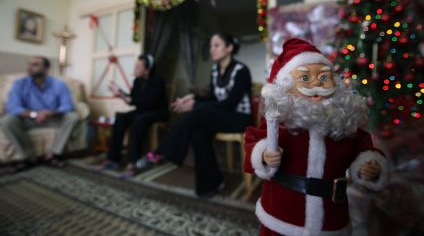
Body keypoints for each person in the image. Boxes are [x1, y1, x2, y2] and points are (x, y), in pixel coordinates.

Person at [244, 38, 389, 236]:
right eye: (305, 78)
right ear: (287, 86)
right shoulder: (281, 124)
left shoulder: (343, 124)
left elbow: (364, 150)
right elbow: (253, 141)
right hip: (282, 215)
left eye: (323, 77)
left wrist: (369, 165)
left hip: (331, 219)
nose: (316, 84)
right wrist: (263, 155)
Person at [135, 33, 254, 197]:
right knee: (198, 132)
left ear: (229, 48)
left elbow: (229, 104)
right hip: (219, 116)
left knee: (197, 113)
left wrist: (195, 105)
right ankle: (212, 184)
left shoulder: (241, 71)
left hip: (239, 118)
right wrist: (193, 98)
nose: (212, 49)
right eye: (211, 45)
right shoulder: (215, 70)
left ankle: (159, 151)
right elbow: (212, 98)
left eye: (216, 45)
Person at [95, 54, 168, 177]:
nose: (135, 69)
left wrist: (124, 95)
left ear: (147, 69)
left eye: (139, 67)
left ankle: (133, 163)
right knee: (120, 117)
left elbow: (148, 103)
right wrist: (120, 93)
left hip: (157, 112)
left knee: (139, 120)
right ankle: (113, 159)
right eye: (135, 66)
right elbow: (132, 100)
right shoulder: (137, 81)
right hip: (142, 111)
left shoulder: (158, 80)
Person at [2, 56, 79, 167]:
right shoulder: (19, 84)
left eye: (35, 65)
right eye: (29, 64)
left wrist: (50, 113)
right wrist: (34, 114)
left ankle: (53, 155)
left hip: (51, 118)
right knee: (7, 121)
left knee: (72, 117)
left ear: (46, 68)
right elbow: (13, 107)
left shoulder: (60, 85)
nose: (30, 67)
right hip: (29, 119)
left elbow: (67, 106)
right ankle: (29, 157)